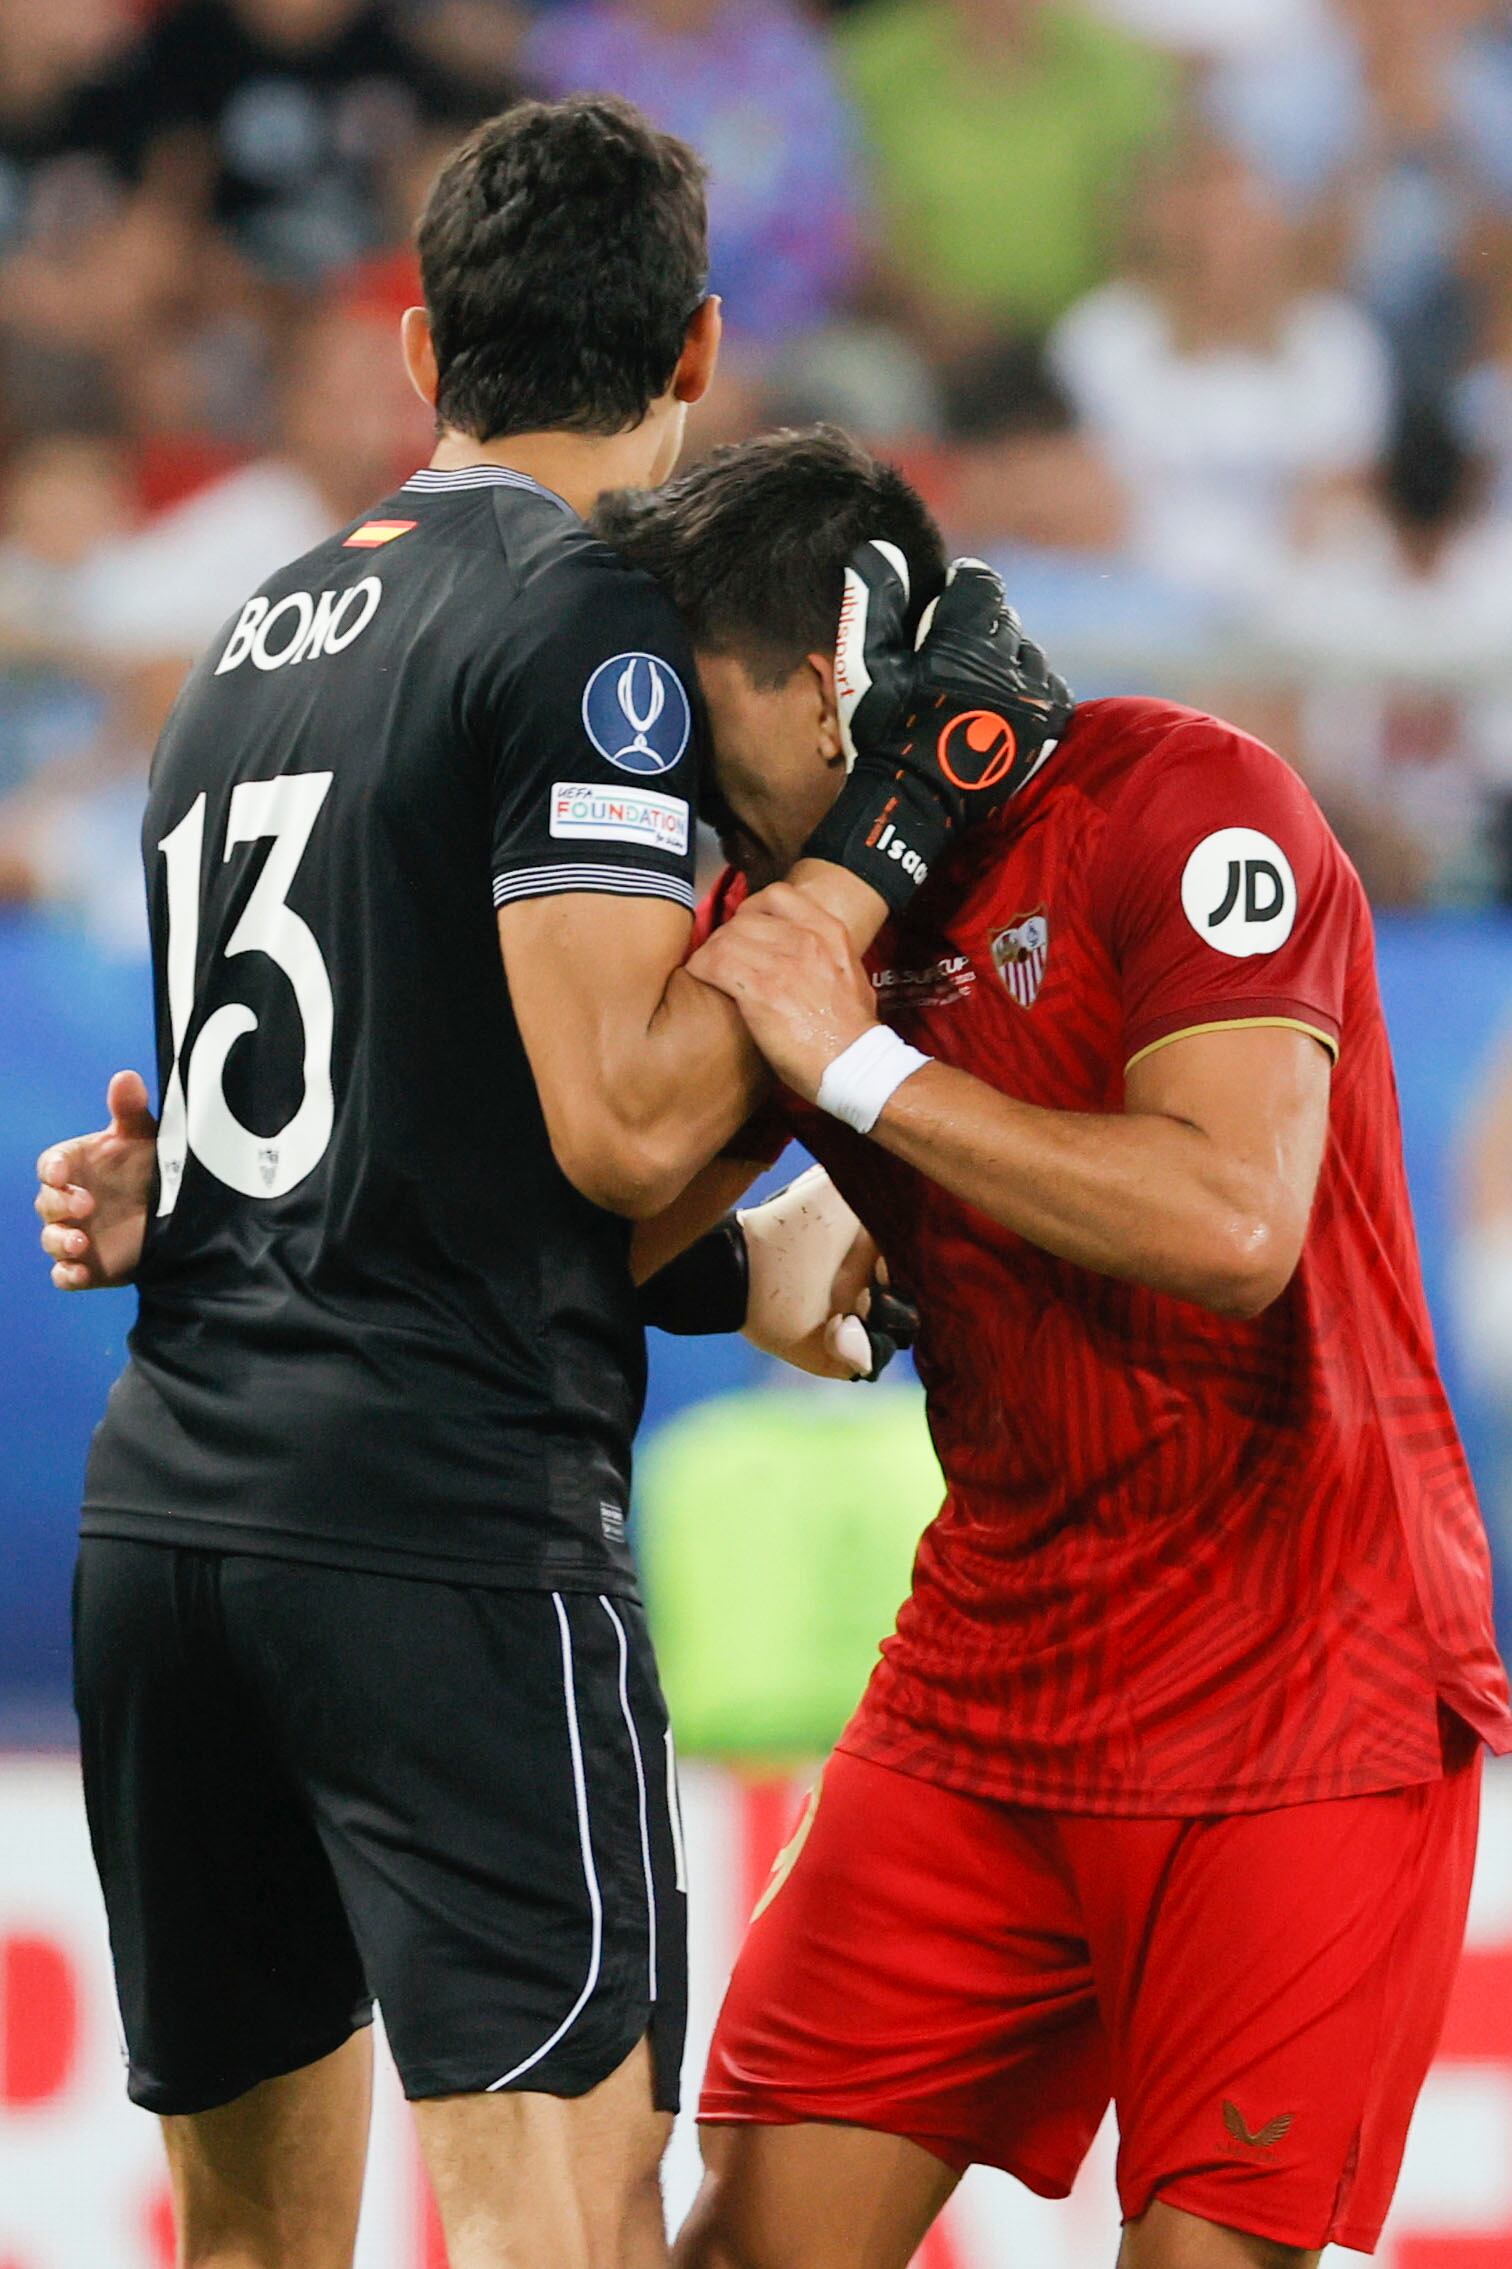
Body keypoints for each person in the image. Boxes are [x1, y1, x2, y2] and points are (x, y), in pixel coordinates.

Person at [30, 116, 1069, 2269]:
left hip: (173, 1515)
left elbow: (420, 1120)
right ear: (698, 337)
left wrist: (737, 1249)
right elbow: (607, 1125)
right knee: (564, 2230)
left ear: (423, 351)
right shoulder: (594, 625)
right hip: (438, 1531)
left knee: (244, 2248)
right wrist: (886, 845)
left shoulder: (245, 640)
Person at [586, 429, 1509, 2268]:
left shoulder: (1189, 801)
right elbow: (593, 1225)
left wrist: (859, 1070)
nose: (669, 771)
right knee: (743, 2250)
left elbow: (1233, 1227)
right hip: (993, 1676)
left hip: (1299, 1679)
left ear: (836, 664)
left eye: (700, 713)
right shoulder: (793, 905)